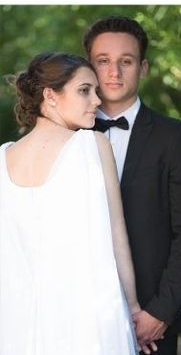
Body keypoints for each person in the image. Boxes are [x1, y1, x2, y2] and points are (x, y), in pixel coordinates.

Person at [0, 53, 141, 354]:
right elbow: (118, 238)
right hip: (86, 319)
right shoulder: (92, 146)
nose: (96, 101)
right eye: (84, 90)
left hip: (16, 322)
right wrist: (133, 309)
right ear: (50, 95)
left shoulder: (2, 158)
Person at [85, 15, 181, 355]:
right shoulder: (69, 138)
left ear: (144, 67)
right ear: (88, 69)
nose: (114, 72)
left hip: (154, 314)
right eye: (103, 61)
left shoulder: (174, 136)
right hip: (84, 312)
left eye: (126, 61)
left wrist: (159, 312)